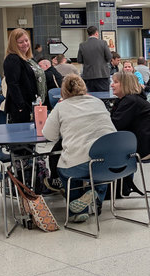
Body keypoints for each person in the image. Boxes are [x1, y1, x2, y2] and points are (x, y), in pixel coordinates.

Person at [42, 75, 118, 222]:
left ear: (63, 91)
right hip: (111, 160)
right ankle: (96, 193)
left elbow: (49, 135)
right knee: (99, 169)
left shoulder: (61, 107)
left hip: (80, 163)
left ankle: (77, 212)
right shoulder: (98, 102)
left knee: (66, 170)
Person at [109, 71, 150, 194]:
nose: (111, 85)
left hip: (142, 148)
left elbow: (114, 126)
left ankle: (101, 189)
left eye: (115, 82)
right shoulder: (134, 99)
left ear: (125, 85)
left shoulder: (130, 101)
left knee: (98, 149)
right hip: (145, 143)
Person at [3, 28, 45, 123]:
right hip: (21, 108)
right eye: (20, 42)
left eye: (26, 40)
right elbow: (13, 84)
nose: (25, 44)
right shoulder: (12, 59)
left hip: (32, 103)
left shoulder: (28, 59)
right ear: (14, 44)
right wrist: (21, 105)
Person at [76, 25, 113, 93]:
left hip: (88, 76)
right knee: (104, 96)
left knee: (91, 97)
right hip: (102, 75)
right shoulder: (103, 43)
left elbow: (79, 60)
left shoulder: (82, 45)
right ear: (96, 33)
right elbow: (109, 57)